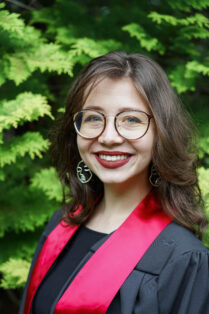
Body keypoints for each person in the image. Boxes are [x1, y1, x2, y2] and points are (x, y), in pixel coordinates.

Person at [20, 51, 209, 314]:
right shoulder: (60, 226)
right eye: (94, 118)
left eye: (131, 119)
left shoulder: (182, 258)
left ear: (161, 133)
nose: (108, 137)